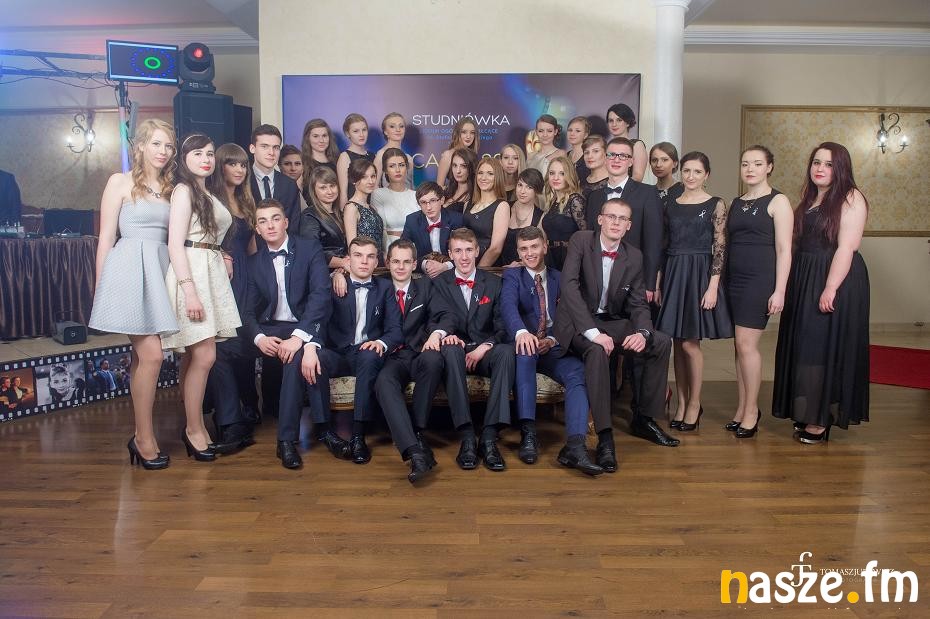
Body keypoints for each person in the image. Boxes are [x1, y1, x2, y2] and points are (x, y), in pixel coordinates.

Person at [554, 199, 678, 463]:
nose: (616, 222)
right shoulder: (581, 241)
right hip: (578, 323)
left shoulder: (634, 255)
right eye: (611, 216)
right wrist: (592, 333)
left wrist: (643, 333)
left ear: (628, 226)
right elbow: (569, 287)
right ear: (600, 219)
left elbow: (638, 303)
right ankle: (605, 436)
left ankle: (643, 418)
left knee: (660, 341)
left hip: (611, 321)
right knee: (597, 350)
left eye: (622, 219)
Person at [89, 118, 178, 470]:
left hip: (160, 269)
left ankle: (141, 435)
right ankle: (143, 438)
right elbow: (105, 238)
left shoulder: (172, 187)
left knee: (144, 358)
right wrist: (102, 286)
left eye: (168, 146)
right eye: (156, 143)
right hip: (127, 270)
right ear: (139, 146)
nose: (163, 151)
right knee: (153, 356)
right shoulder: (119, 182)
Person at [773, 142, 870, 444]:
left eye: (828, 164)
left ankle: (819, 420)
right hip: (805, 276)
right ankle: (809, 411)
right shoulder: (811, 198)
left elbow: (847, 247)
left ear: (840, 168)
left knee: (820, 348)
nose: (820, 168)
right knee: (804, 346)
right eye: (816, 162)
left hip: (833, 276)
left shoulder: (851, 197)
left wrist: (830, 287)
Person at [162, 133, 242, 462]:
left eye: (209, 154)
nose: (206, 159)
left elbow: (210, 236)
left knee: (195, 357)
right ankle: (193, 429)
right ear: (184, 158)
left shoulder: (207, 191)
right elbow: (175, 244)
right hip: (192, 274)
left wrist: (223, 254)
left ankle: (193, 425)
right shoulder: (183, 190)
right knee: (205, 356)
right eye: (197, 154)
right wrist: (189, 290)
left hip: (210, 270)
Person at [242, 199, 336, 469]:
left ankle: (285, 440)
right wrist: (259, 338)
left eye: (275, 218)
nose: (270, 225)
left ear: (285, 222)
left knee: (295, 358)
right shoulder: (253, 263)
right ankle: (322, 430)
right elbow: (247, 311)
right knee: (227, 350)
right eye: (263, 221)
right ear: (257, 229)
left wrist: (299, 337)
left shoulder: (309, 248)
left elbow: (321, 296)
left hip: (307, 323)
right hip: (272, 328)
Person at [502, 226, 603, 475]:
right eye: (524, 249)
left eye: (534, 247)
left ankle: (575, 446)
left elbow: (570, 315)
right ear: (518, 252)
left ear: (545, 247)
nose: (529, 253)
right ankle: (528, 434)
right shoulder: (512, 276)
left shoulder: (560, 278)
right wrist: (521, 333)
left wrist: (552, 338)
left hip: (553, 346)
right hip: (525, 346)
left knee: (577, 373)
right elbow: (508, 307)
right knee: (525, 354)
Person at [426, 228, 516, 471]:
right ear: (450, 254)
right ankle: (466, 436)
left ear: (477, 251)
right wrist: (447, 336)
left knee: (506, 352)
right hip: (455, 349)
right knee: (451, 350)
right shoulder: (439, 283)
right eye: (458, 251)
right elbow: (433, 320)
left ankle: (489, 437)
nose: (464, 257)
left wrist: (485, 346)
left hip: (484, 350)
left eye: (468, 250)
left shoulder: (495, 283)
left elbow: (503, 326)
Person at [656, 151, 733, 431]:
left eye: (697, 171)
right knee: (677, 342)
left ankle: (695, 403)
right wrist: (658, 282)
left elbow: (720, 247)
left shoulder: (716, 204)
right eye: (687, 171)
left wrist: (713, 287)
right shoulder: (670, 204)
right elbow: (664, 246)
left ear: (706, 175)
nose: (691, 176)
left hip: (699, 274)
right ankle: (681, 402)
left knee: (690, 343)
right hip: (674, 271)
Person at [312, 236, 403, 464]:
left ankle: (358, 435)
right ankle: (325, 432)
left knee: (370, 354)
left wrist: (381, 343)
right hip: (337, 353)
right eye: (358, 255)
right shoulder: (334, 284)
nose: (364, 261)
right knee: (316, 358)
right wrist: (311, 346)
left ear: (377, 262)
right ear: (348, 260)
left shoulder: (384, 288)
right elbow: (318, 319)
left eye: (370, 256)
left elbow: (395, 330)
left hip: (365, 355)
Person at [723, 145, 793, 439]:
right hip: (734, 280)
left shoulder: (779, 201)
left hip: (759, 280)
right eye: (745, 164)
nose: (750, 169)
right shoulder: (736, 203)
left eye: (757, 163)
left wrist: (780, 290)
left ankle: (752, 411)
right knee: (738, 347)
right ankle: (742, 408)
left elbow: (785, 249)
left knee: (747, 345)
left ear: (769, 167)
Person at [374, 239, 446, 483]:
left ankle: (416, 430)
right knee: (383, 382)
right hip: (391, 357)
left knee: (434, 360)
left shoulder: (425, 286)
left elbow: (445, 315)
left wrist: (436, 334)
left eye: (406, 262)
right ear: (387, 262)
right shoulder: (378, 286)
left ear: (415, 264)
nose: (401, 267)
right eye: (395, 261)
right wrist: (339, 274)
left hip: (418, 353)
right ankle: (415, 451)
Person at [203, 143, 260, 450]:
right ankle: (229, 419)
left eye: (243, 165)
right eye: (233, 164)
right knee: (222, 346)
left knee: (244, 343)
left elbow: (252, 249)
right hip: (221, 276)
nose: (239, 169)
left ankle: (249, 407)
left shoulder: (247, 201)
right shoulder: (210, 200)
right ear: (220, 166)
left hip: (246, 277)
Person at [586, 138, 664, 302]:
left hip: (634, 278)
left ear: (631, 161)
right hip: (598, 280)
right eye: (612, 155)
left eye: (623, 156)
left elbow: (654, 242)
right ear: (605, 158)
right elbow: (590, 240)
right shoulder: (593, 197)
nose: (616, 160)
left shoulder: (648, 193)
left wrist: (650, 284)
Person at [400, 181, 463, 277]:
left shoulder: (456, 219)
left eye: (433, 200)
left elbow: (466, 253)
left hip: (451, 272)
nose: (428, 207)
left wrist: (446, 266)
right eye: (423, 202)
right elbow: (402, 251)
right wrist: (424, 264)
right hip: (424, 274)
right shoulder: (412, 221)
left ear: (442, 200)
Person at [248, 124, 301, 237]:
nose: (271, 153)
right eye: (264, 146)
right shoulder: (242, 181)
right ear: (252, 148)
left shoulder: (289, 185)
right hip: (247, 247)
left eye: (276, 147)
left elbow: (293, 227)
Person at [540, 155, 586, 271]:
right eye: (552, 173)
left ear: (569, 176)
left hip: (570, 259)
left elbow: (586, 236)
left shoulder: (575, 200)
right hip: (550, 258)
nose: (556, 178)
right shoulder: (552, 202)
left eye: (562, 173)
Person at [299, 165, 349, 269]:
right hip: (323, 272)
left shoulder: (342, 214)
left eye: (332, 186)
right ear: (314, 190)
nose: (330, 191)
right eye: (323, 187)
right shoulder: (309, 216)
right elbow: (311, 251)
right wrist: (342, 263)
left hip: (345, 268)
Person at [463, 156, 510, 267]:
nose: (484, 178)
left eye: (490, 174)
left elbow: (495, 249)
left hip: (486, 269)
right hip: (465, 265)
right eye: (480, 173)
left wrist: (477, 272)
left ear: (497, 177)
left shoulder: (502, 206)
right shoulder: (467, 204)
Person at [371, 147, 418, 248]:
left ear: (407, 167)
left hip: (415, 248)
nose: (398, 170)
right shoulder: (378, 194)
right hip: (390, 247)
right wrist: (386, 252)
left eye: (401, 165)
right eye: (392, 166)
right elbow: (381, 229)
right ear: (385, 170)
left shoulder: (416, 195)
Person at [500, 168, 544, 267]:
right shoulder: (504, 207)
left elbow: (540, 252)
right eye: (520, 185)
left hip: (526, 268)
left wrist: (521, 264)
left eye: (529, 187)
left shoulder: (540, 216)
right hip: (498, 267)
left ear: (537, 191)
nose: (522, 191)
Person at [343, 158, 385, 261]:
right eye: (364, 177)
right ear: (354, 180)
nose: (371, 181)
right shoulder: (351, 208)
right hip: (364, 262)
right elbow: (352, 246)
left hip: (379, 262)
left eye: (373, 176)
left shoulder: (372, 208)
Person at [336, 113, 375, 208]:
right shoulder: (345, 157)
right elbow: (343, 192)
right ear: (347, 133)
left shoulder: (373, 156)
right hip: (354, 208)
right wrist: (344, 212)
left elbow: (376, 187)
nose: (361, 135)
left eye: (364, 130)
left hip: (373, 206)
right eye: (356, 131)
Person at [606, 103, 648, 182]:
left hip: (628, 189)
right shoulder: (606, 146)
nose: (614, 124)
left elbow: (638, 177)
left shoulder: (637, 145)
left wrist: (616, 187)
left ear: (628, 123)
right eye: (611, 121)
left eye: (619, 120)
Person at [373, 112, 414, 188]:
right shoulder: (381, 155)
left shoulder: (409, 158)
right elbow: (375, 186)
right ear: (385, 131)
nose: (398, 130)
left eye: (401, 126)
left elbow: (411, 187)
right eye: (392, 126)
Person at [436, 116, 479, 185]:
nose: (468, 136)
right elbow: (439, 185)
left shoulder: (473, 155)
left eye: (472, 133)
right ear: (457, 133)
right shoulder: (448, 155)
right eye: (464, 132)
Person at [442, 147, 478, 214]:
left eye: (463, 166)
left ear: (472, 167)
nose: (458, 171)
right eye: (455, 165)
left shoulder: (475, 197)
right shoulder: (445, 191)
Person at [650, 142, 683, 207]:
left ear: (675, 163)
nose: (658, 165)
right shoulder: (648, 192)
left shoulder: (683, 190)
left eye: (665, 160)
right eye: (654, 160)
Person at [566, 116, 591, 181]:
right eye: (570, 130)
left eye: (577, 131)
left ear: (585, 135)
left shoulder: (589, 156)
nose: (572, 133)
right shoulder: (566, 155)